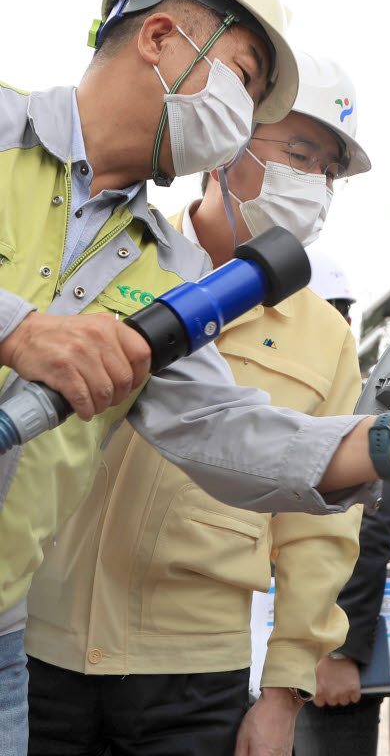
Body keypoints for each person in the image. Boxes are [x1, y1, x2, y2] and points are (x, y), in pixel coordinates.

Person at [0, 0, 390, 754]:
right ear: (160, 37)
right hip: (46, 643)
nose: (241, 114)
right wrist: (18, 328)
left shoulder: (160, 271)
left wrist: (384, 443)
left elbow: (222, 429)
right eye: (242, 79)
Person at [25, 51, 371, 756]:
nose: (313, 184)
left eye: (328, 171)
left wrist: (281, 697)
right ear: (229, 140)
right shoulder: (123, 258)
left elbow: (319, 537)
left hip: (193, 676)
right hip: (39, 645)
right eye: (299, 152)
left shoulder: (326, 336)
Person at [294, 255, 390, 756]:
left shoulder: (366, 405)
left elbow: (370, 530)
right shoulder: (274, 391)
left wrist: (339, 650)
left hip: (326, 665)